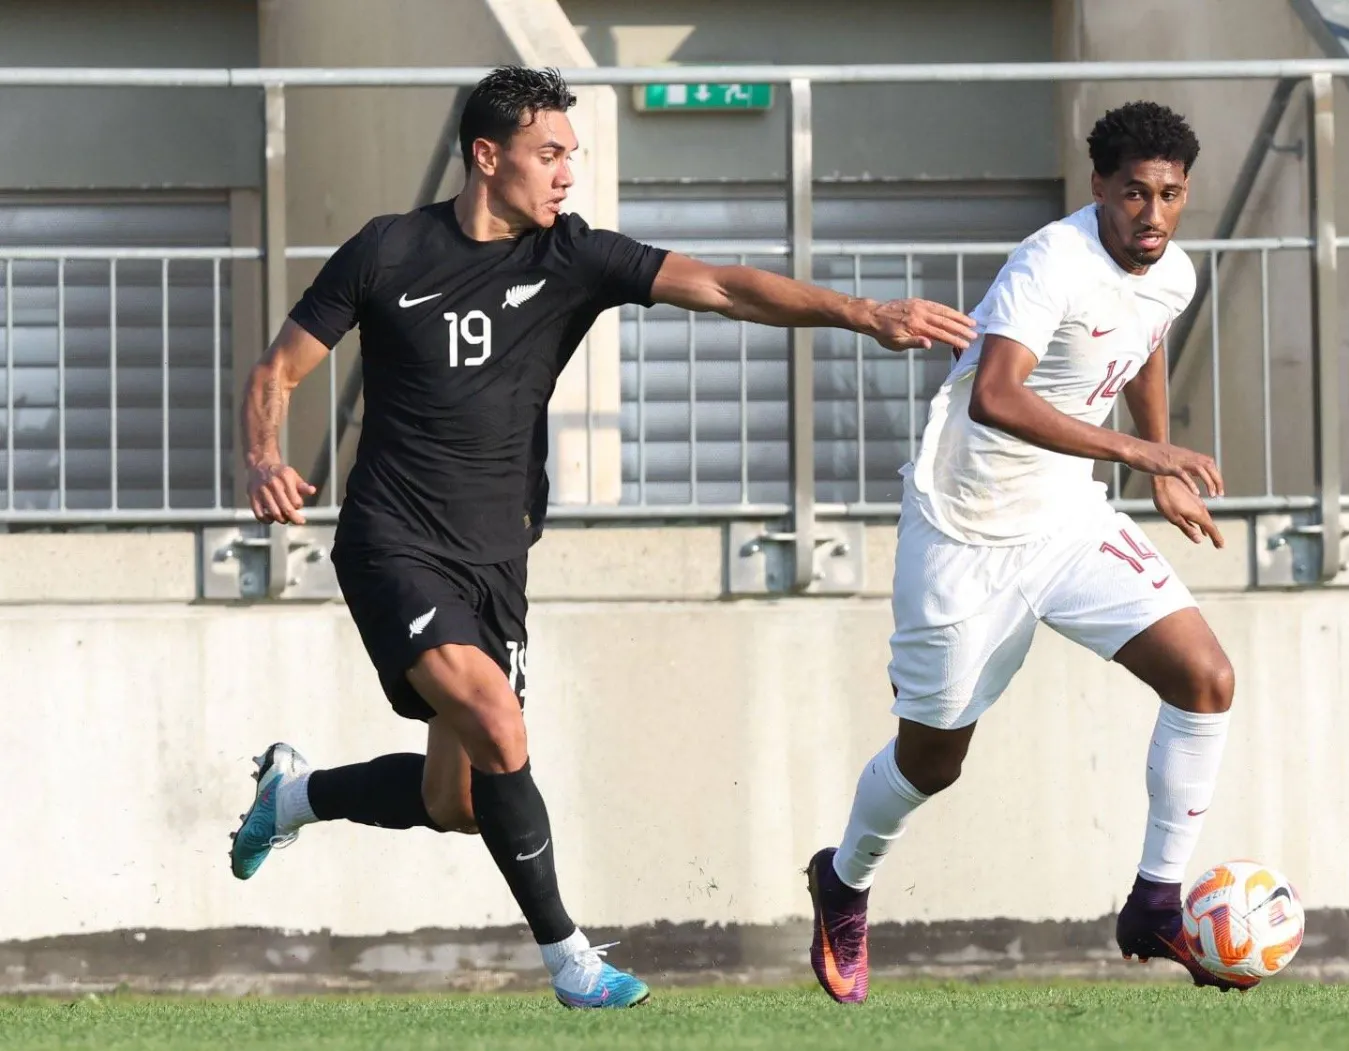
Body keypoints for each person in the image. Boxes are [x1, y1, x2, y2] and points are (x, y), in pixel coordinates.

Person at [228, 65, 977, 1011]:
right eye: (550, 155)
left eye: (572, 157)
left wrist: (863, 314)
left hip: (496, 559)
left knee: (457, 801)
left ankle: (291, 797)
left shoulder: (569, 258)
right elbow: (279, 369)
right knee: (502, 726)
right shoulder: (389, 251)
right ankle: (571, 959)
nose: (567, 175)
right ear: (487, 156)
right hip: (390, 541)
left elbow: (724, 288)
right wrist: (262, 455)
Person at [804, 101, 1251, 1004]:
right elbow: (995, 398)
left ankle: (1157, 901)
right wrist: (1142, 453)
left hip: (1067, 520)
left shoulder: (1173, 272)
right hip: (965, 527)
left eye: (1170, 195)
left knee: (1206, 678)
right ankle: (844, 879)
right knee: (933, 760)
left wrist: (1158, 462)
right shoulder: (1049, 261)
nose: (1153, 214)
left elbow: (1145, 343)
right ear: (1099, 189)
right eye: (1135, 193)